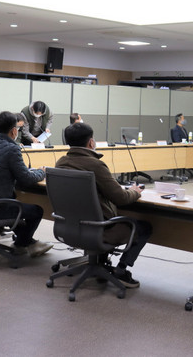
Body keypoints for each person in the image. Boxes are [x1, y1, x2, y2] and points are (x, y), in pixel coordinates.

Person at [56, 122, 152, 289]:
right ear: (91, 142)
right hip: (99, 231)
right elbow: (121, 198)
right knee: (144, 227)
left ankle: (99, 262)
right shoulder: (95, 165)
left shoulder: (60, 163)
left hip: (69, 228)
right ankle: (121, 271)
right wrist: (135, 191)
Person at [0, 111, 53, 257]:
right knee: (37, 210)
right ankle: (21, 243)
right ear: (13, 131)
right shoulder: (12, 149)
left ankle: (28, 241)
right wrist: (41, 172)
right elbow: (26, 179)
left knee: (17, 204)